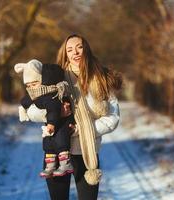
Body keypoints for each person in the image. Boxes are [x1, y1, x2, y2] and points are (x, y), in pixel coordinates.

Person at [44, 34, 122, 200]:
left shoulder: (101, 79)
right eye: (70, 49)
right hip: (57, 152)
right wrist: (56, 113)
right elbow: (34, 109)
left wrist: (83, 129)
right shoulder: (55, 79)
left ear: (86, 49)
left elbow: (113, 117)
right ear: (65, 54)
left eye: (79, 47)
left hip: (86, 154)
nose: (75, 52)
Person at [14, 59, 75, 178]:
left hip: (60, 124)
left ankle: (65, 163)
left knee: (61, 140)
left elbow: (53, 109)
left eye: (34, 83)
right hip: (50, 125)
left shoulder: (50, 94)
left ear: (42, 80)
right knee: (48, 144)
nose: (32, 88)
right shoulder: (35, 93)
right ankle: (50, 166)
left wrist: (51, 123)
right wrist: (22, 107)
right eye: (28, 85)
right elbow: (27, 100)